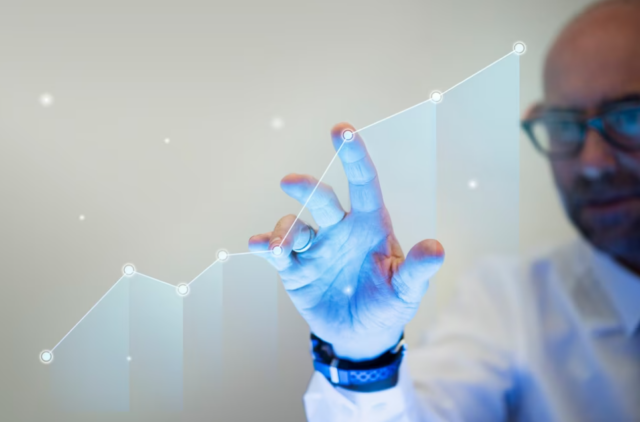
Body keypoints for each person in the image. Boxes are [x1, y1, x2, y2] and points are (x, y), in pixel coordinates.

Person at [248, 0, 640, 420]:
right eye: (564, 125)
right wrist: (364, 356)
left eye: (631, 118)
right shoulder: (508, 305)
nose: (593, 162)